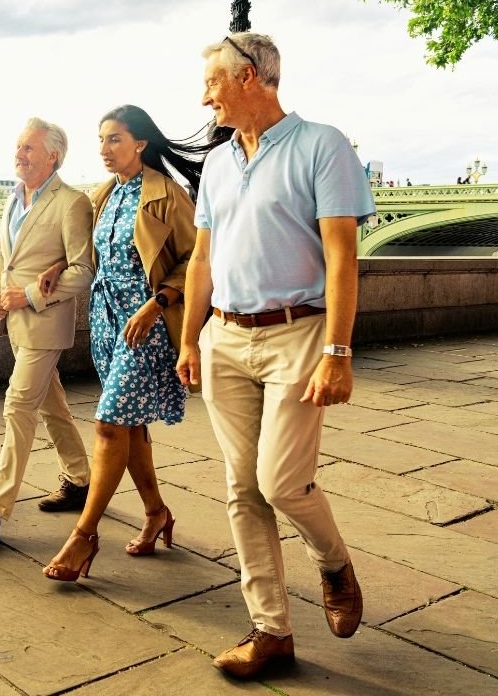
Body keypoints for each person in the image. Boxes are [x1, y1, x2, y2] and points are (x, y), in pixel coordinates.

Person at [176, 33, 375, 679]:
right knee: (241, 489)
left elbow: (342, 257)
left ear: (250, 78)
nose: (204, 94)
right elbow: (202, 257)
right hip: (226, 339)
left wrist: (337, 352)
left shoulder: (323, 145)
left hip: (298, 334)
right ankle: (270, 631)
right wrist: (189, 337)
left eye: (212, 81)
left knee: (281, 482)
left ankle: (332, 561)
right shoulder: (219, 163)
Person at [39, 105, 211, 582]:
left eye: (115, 139)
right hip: (107, 321)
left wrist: (156, 303)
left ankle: (84, 536)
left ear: (139, 143)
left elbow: (198, 259)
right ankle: (156, 511)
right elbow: (92, 252)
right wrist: (61, 264)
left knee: (110, 424)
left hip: (146, 326)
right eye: (101, 140)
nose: (104, 149)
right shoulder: (103, 195)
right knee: (131, 428)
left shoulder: (167, 195)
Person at [0, 118, 93, 544]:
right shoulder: (13, 200)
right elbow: (1, 257)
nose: (20, 154)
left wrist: (27, 295)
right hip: (13, 322)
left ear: (54, 155)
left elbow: (83, 272)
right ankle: (80, 479)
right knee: (51, 407)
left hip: (45, 322)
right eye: (18, 146)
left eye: (29, 148)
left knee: (18, 407)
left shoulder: (71, 203)